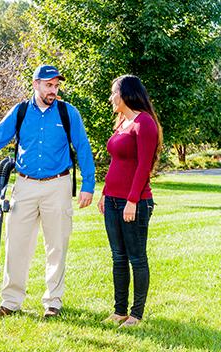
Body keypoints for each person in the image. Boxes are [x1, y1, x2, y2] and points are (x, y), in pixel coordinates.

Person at [0, 65, 95, 318]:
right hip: (24, 186)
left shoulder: (68, 113)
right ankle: (11, 302)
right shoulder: (20, 112)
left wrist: (87, 185)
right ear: (36, 84)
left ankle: (53, 303)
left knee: (56, 246)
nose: (53, 90)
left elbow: (83, 148)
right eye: (49, 85)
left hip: (58, 185)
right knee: (16, 244)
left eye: (56, 85)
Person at [97, 75, 163, 328]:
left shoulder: (144, 123)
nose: (111, 97)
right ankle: (119, 311)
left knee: (137, 258)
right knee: (118, 257)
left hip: (134, 202)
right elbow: (117, 162)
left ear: (126, 94)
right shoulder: (122, 122)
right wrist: (105, 192)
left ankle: (136, 314)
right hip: (113, 200)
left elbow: (144, 166)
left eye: (114, 92)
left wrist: (132, 200)